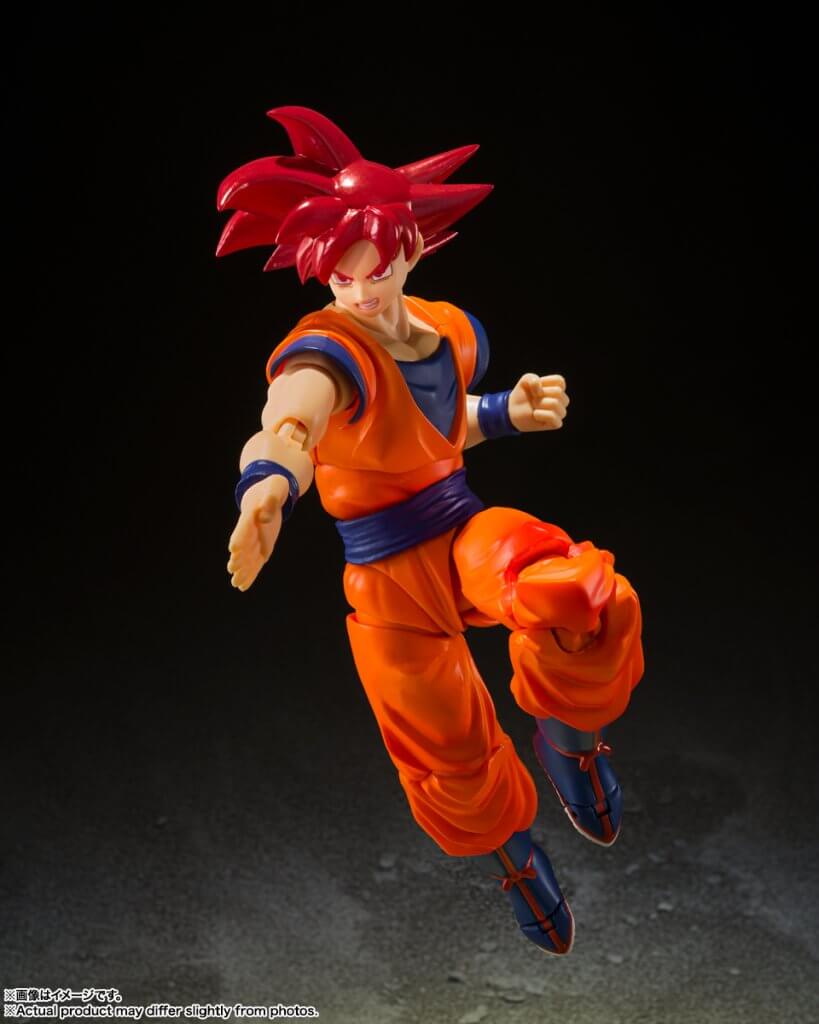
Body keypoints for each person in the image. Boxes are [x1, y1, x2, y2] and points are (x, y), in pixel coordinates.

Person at [218, 106, 644, 955]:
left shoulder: (448, 330)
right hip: (386, 580)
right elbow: (290, 419)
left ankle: (568, 740)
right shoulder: (323, 350)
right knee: (446, 748)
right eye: (339, 276)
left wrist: (507, 412)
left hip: (460, 530)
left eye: (373, 270)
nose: (358, 291)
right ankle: (512, 856)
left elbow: (436, 429)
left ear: (411, 247)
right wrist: (268, 483)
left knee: (573, 590)